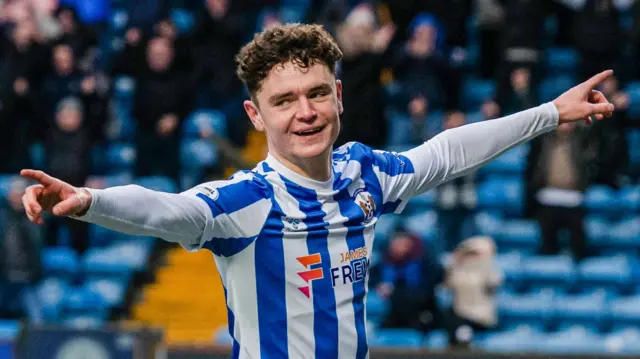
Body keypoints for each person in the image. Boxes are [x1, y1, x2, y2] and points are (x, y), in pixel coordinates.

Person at [20, 23, 614, 358]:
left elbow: (446, 152)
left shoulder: (366, 174)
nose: (304, 113)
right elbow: (167, 210)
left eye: (317, 93)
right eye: (283, 101)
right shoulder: (245, 202)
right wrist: (91, 201)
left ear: (339, 96)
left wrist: (549, 113)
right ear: (256, 115)